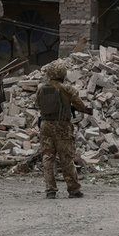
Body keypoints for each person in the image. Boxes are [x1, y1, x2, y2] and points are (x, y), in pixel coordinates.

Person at [37, 62, 87, 199]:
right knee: (66, 158)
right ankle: (73, 190)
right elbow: (81, 106)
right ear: (63, 74)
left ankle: (50, 190)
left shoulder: (41, 88)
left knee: (47, 157)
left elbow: (38, 104)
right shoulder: (68, 89)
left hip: (45, 125)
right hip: (62, 127)